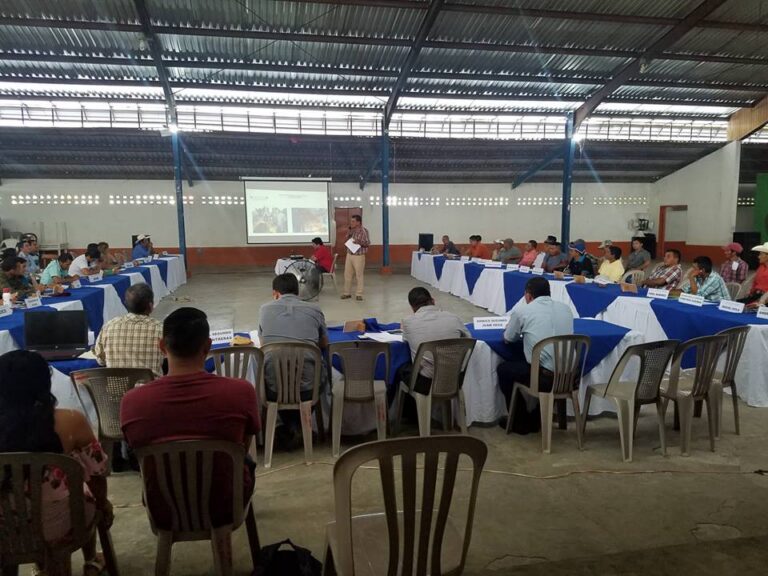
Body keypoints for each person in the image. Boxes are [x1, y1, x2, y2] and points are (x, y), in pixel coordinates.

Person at [120, 307, 260, 529]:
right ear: (208, 346)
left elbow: (134, 454)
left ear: (162, 346)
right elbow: (243, 446)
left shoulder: (132, 402)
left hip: (163, 509)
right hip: (225, 505)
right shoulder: (241, 392)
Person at [0, 350, 112, 576]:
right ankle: (89, 560)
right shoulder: (71, 420)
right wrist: (104, 506)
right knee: (81, 489)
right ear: (45, 381)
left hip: (4, 530)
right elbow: (97, 474)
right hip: (58, 527)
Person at [259, 273, 328, 443]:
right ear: (298, 292)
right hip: (309, 390)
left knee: (269, 375)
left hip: (274, 390)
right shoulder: (315, 309)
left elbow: (263, 344)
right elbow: (324, 343)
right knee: (321, 373)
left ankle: (290, 426)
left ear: (275, 293)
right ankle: (299, 426)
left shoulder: (264, 309)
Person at [497, 276, 574, 408]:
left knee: (504, 370)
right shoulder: (566, 309)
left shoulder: (522, 311)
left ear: (528, 295)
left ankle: (521, 418)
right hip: (569, 375)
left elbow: (508, 338)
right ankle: (539, 414)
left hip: (544, 378)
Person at [400, 287, 471, 394]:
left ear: (412, 307)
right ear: (433, 301)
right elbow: (468, 339)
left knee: (401, 369)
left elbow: (405, 341)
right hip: (455, 379)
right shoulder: (454, 318)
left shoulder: (407, 322)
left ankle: (409, 405)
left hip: (427, 383)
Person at [94, 283, 164, 377]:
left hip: (116, 386)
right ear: (151, 306)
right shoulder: (160, 328)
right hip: (150, 386)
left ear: (126, 304)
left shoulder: (109, 326)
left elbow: (101, 361)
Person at [342, 215, 369, 301]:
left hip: (358, 256)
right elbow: (345, 240)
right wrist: (348, 235)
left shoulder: (364, 231)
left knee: (359, 275)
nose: (351, 223)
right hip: (349, 254)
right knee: (347, 274)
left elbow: (367, 243)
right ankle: (347, 293)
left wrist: (359, 242)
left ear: (358, 222)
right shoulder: (351, 231)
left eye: (353, 221)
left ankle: (359, 294)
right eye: (351, 221)